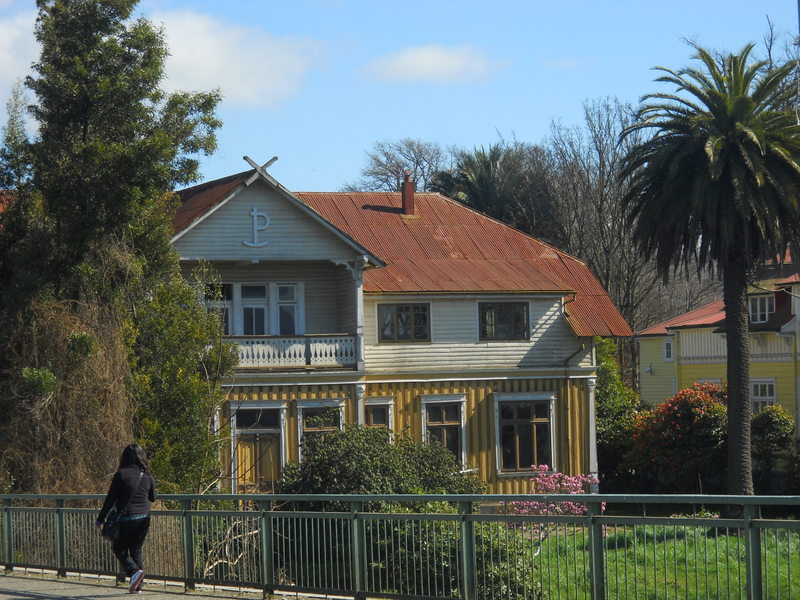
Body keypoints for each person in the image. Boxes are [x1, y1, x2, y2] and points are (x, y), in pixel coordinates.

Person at [95, 443, 157, 594]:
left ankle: (134, 572)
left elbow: (110, 499)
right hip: (144, 518)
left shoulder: (121, 474)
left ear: (124, 457)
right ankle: (138, 585)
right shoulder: (148, 475)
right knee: (136, 549)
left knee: (119, 548)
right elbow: (153, 498)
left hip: (128, 517)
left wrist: (100, 519)